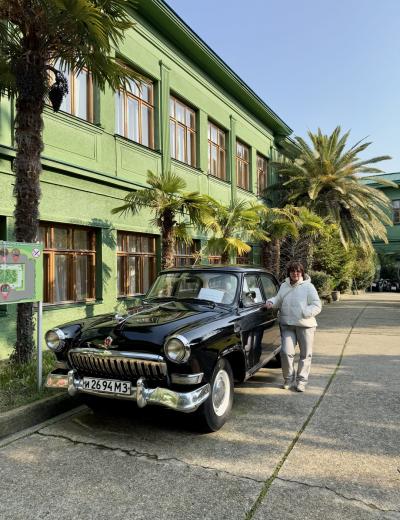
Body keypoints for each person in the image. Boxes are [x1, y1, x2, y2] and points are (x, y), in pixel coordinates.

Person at [264, 261, 321, 392]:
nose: (295, 273)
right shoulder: (284, 286)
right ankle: (288, 379)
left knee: (305, 355)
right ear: (289, 273)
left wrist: (304, 312)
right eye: (292, 271)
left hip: (305, 326)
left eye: (298, 271)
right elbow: (278, 299)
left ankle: (301, 381)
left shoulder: (309, 287)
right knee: (286, 353)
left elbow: (317, 305)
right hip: (287, 325)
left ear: (302, 273)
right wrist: (270, 302)